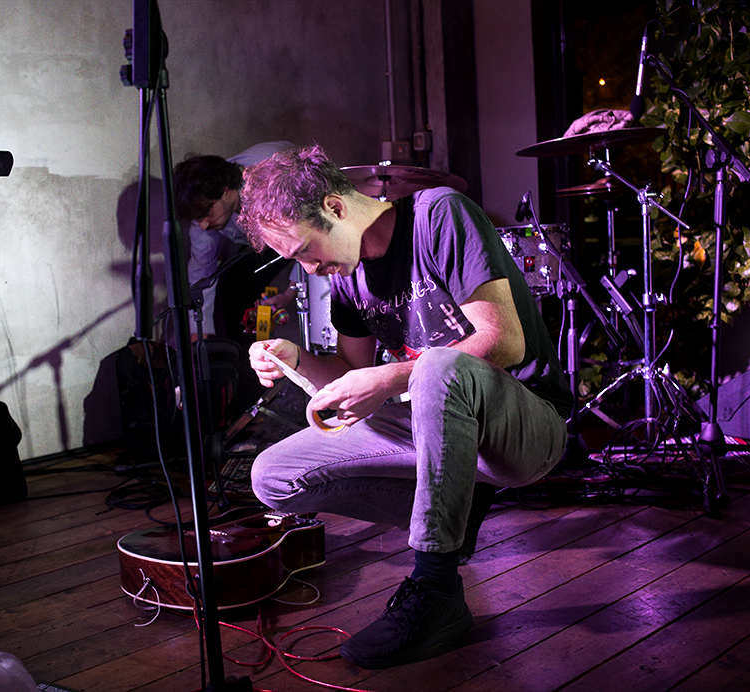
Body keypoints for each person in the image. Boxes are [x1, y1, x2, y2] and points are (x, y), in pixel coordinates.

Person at [236, 144, 572, 669]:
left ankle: (436, 587)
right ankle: (456, 509)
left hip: (525, 423)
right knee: (273, 476)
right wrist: (295, 357)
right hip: (432, 423)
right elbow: (352, 373)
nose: (309, 268)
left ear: (335, 207)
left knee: (437, 366)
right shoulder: (347, 273)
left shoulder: (438, 214)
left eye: (305, 251)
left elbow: (504, 341)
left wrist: (393, 376)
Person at [173, 141, 295, 343]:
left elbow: (312, 234)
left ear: (227, 191)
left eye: (206, 214)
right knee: (233, 291)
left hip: (306, 224)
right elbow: (202, 273)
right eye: (198, 218)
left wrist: (290, 293)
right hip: (267, 239)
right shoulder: (204, 208)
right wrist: (199, 335)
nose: (203, 225)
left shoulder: (272, 178)